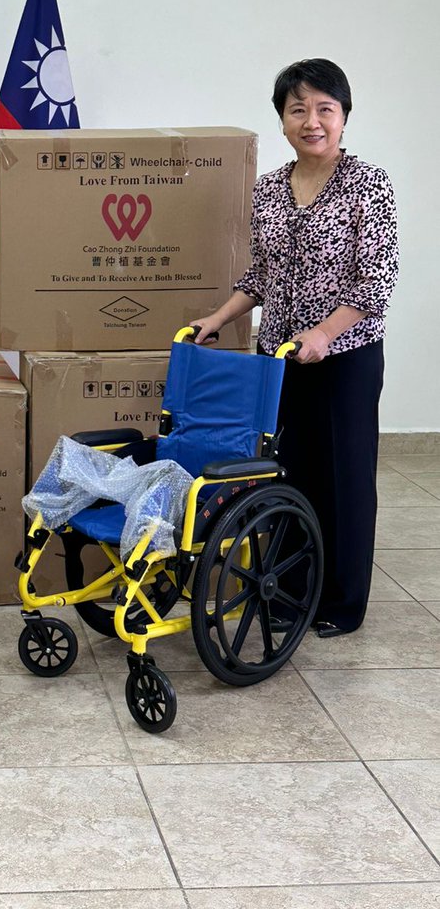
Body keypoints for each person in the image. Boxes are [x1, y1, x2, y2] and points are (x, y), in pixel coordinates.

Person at [192, 58, 398, 637]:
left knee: (343, 478)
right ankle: (286, 591)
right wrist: (218, 318)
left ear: (344, 116)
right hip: (279, 359)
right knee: (283, 476)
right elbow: (261, 276)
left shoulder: (368, 184)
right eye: (298, 109)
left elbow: (375, 282)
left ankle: (342, 603)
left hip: (345, 360)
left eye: (324, 109)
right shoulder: (267, 189)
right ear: (282, 120)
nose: (312, 121)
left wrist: (325, 333)